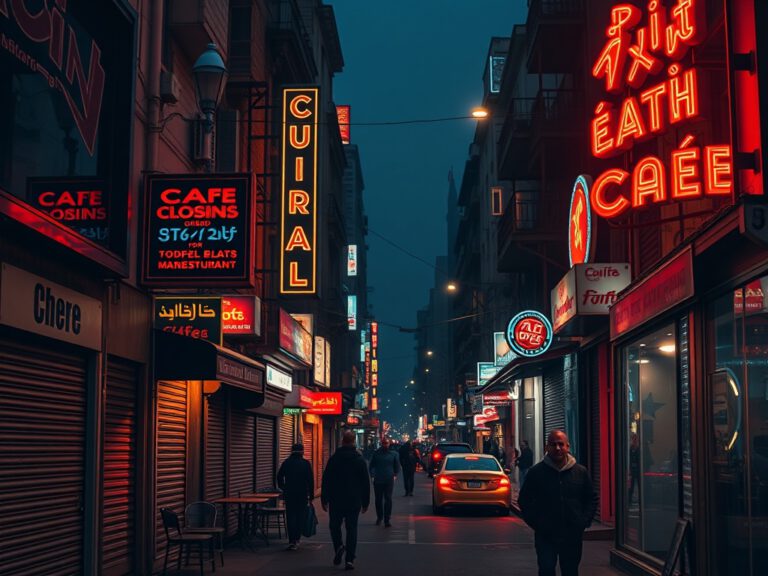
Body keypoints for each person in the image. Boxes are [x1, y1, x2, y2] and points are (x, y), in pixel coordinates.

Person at [518, 430, 597, 576]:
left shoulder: (580, 472)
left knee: (570, 571)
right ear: (547, 448)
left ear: (568, 446)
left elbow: (591, 499)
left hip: (572, 534)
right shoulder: (536, 473)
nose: (558, 448)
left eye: (561, 444)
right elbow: (524, 501)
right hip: (546, 535)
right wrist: (537, 523)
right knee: (546, 569)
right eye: (553, 444)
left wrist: (583, 522)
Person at [321, 431, 370, 571]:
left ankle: (339, 546)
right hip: (354, 500)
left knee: (334, 526)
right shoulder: (359, 460)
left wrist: (324, 498)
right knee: (352, 528)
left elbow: (326, 480)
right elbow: (365, 483)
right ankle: (350, 560)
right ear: (354, 441)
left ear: (342, 441)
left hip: (336, 499)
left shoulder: (334, 459)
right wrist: (365, 502)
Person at [276, 443, 314, 550]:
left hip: (289, 494)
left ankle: (291, 540)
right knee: (300, 516)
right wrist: (311, 496)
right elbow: (310, 481)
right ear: (302, 451)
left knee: (290, 516)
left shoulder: (287, 463)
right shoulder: (306, 464)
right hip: (302, 494)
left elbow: (279, 476)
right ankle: (297, 539)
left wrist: (283, 488)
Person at [368, 436, 400, 526]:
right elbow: (371, 466)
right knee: (378, 499)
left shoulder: (394, 454)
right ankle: (379, 517)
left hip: (389, 479)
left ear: (389, 444)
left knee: (388, 499)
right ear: (381, 444)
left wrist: (395, 475)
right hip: (378, 479)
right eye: (383, 443)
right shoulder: (376, 453)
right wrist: (372, 475)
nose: (385, 445)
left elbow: (397, 466)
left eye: (386, 443)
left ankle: (387, 519)